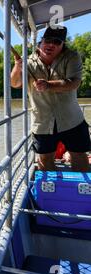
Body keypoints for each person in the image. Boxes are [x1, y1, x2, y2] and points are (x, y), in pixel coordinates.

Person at [11, 25, 91, 172]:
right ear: (40, 42)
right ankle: (50, 192)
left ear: (62, 45)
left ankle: (82, 192)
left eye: (57, 42)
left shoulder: (72, 57)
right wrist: (17, 66)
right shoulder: (27, 62)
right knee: (45, 158)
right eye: (48, 40)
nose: (51, 45)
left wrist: (48, 85)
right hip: (42, 121)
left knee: (79, 155)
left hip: (72, 120)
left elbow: (74, 82)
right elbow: (15, 83)